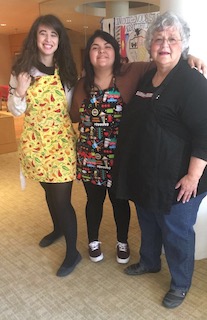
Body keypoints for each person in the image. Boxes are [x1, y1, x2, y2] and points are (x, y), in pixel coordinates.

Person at [70, 29, 206, 265]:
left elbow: (163, 59)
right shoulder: (81, 84)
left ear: (116, 52)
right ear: (88, 55)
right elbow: (72, 115)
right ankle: (94, 240)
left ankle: (122, 241)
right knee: (93, 201)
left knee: (119, 201)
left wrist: (188, 57)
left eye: (107, 46)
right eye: (95, 47)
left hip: (121, 156)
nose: (101, 51)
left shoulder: (133, 72)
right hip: (91, 156)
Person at [114, 11, 207, 308]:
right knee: (149, 221)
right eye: (158, 39)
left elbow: (205, 132)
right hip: (148, 171)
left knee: (177, 230)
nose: (164, 44)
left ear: (184, 45)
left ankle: (180, 284)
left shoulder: (192, 80)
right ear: (150, 45)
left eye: (172, 39)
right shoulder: (147, 74)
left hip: (180, 178)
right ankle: (150, 261)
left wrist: (193, 176)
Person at [7, 14, 81, 277]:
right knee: (49, 194)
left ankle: (73, 252)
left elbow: (74, 107)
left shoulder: (67, 71)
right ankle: (58, 229)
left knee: (62, 200)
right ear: (35, 38)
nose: (48, 39)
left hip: (61, 145)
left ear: (59, 40)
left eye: (54, 34)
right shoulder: (22, 72)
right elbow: (15, 111)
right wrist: (19, 92)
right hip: (35, 146)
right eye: (43, 33)